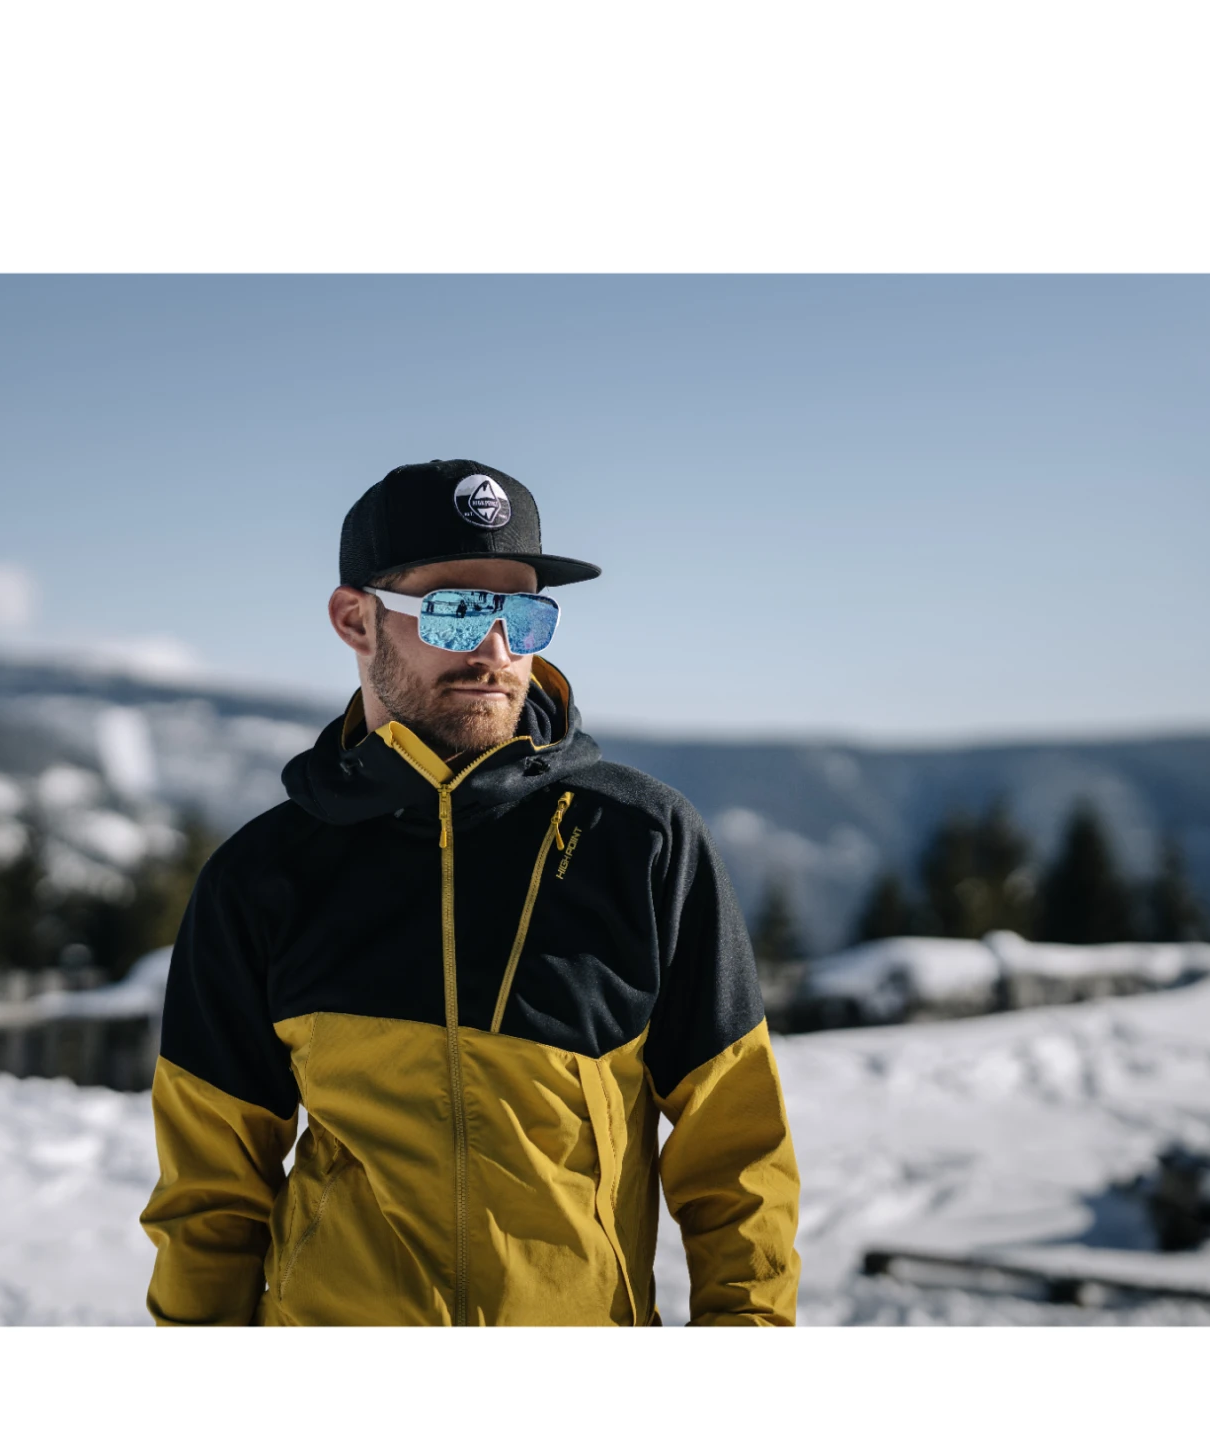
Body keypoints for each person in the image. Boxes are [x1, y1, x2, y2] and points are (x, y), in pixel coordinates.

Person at [140, 458, 801, 1325]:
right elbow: (210, 1195)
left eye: (521, 615)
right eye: (455, 611)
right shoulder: (263, 876)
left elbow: (738, 1152)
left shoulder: (640, 842)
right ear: (356, 620)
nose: (495, 651)